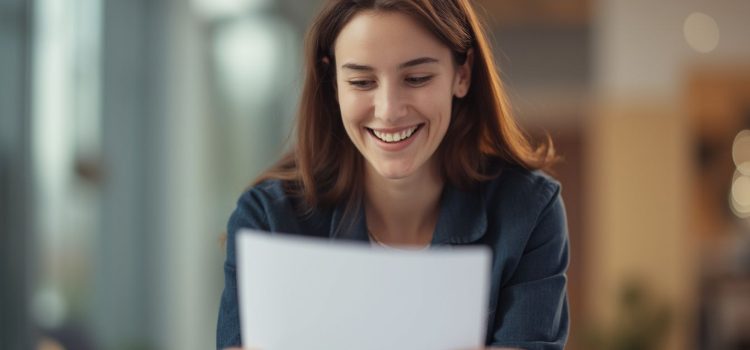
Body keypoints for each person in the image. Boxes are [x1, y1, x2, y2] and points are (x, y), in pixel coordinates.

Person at [216, 0, 569, 349]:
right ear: (332, 82)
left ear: (462, 74)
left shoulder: (528, 210)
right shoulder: (268, 220)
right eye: (361, 81)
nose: (388, 111)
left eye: (416, 78)